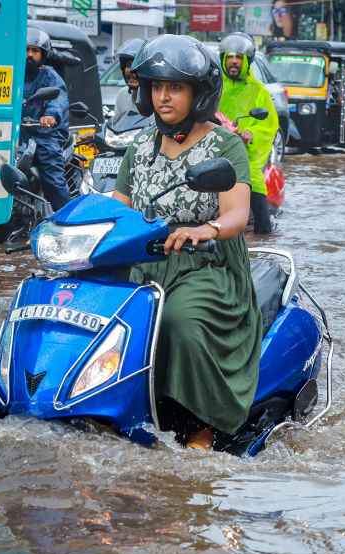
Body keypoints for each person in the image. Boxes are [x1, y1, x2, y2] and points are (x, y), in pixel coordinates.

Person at [112, 35, 263, 450]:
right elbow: (118, 206)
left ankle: (202, 425)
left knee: (179, 323)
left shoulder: (225, 144)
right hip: (144, 262)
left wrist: (206, 229)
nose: (163, 97)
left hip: (205, 265)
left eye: (175, 87)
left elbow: (237, 213)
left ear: (198, 94)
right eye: (156, 87)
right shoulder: (139, 147)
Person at [217, 32, 279, 234]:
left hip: (245, 152)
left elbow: (269, 123)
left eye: (239, 58)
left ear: (247, 61)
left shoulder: (259, 90)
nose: (234, 62)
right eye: (230, 57)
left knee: (254, 181)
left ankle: (264, 231)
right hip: (215, 146)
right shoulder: (214, 87)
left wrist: (250, 133)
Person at [23, 27, 71, 211]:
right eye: (27, 50)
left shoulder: (50, 76)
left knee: (51, 172)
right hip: (21, 134)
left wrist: (50, 115)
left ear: (43, 54)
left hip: (46, 134)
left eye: (34, 51)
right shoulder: (15, 75)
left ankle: (65, 216)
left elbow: (57, 98)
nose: (30, 54)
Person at [113, 38, 144, 119]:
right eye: (128, 65)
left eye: (136, 65)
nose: (131, 70)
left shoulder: (156, 97)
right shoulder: (122, 95)